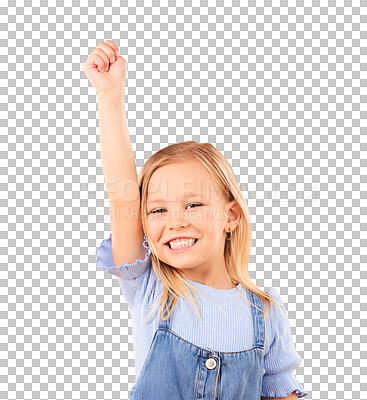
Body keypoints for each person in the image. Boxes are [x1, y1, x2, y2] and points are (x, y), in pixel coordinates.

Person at [82, 40, 308, 400]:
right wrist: (110, 97)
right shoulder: (150, 288)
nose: (175, 222)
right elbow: (123, 194)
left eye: (193, 205)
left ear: (231, 215)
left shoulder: (265, 313)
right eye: (158, 210)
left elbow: (281, 394)